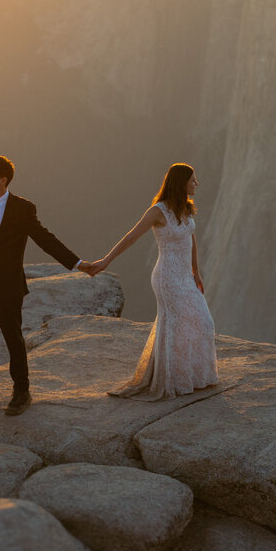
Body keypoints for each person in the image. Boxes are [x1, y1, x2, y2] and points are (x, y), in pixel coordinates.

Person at [0, 155, 86, 416]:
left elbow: (45, 240)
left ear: (2, 180)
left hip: (8, 288)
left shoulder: (22, 208)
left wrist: (77, 263)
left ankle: (21, 391)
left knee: (13, 340)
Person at [83, 163, 218, 400]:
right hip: (167, 277)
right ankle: (174, 380)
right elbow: (131, 236)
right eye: (193, 180)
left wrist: (196, 272)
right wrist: (106, 261)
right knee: (176, 325)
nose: (196, 183)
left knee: (203, 322)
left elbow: (191, 238)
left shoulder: (185, 207)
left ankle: (195, 377)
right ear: (181, 182)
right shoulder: (158, 211)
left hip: (185, 276)